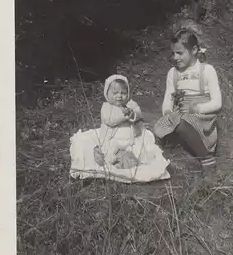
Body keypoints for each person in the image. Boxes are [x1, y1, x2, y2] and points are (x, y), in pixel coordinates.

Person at [154, 29, 222, 176]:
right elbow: (169, 97)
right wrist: (167, 112)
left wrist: (199, 108)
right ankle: (160, 157)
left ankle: (207, 159)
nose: (175, 57)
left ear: (194, 50)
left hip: (202, 117)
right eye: (173, 53)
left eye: (180, 53)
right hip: (181, 115)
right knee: (156, 125)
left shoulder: (207, 70)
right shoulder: (173, 73)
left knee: (182, 124)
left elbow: (217, 103)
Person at [94, 74, 153, 169]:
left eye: (123, 93)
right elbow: (109, 120)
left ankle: (132, 158)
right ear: (107, 94)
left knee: (139, 147)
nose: (119, 96)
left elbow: (138, 113)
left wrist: (132, 113)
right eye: (115, 93)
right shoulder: (106, 107)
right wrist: (123, 115)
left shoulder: (130, 104)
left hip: (129, 140)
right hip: (112, 139)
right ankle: (110, 159)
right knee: (107, 148)